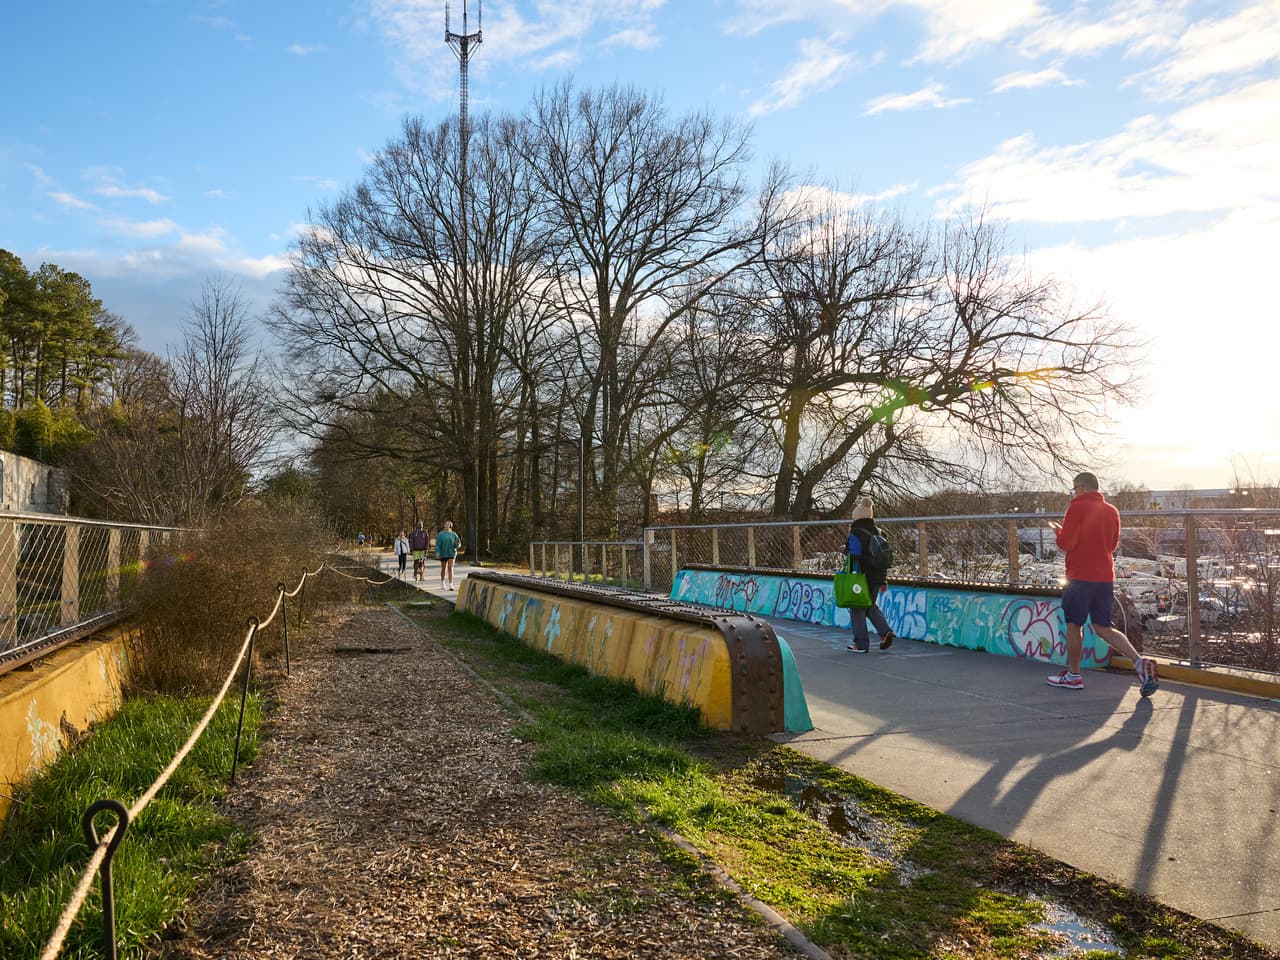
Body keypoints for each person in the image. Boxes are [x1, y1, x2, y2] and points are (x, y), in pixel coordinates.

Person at [1047, 472, 1159, 696]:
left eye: (1074, 489)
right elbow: (1113, 544)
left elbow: (1067, 542)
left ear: (1080, 488)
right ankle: (1139, 663)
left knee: (1073, 626)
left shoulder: (1076, 507)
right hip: (1104, 577)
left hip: (1079, 576)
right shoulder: (1112, 511)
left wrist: (1058, 531)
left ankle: (1073, 675)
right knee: (1103, 627)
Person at [845, 497, 896, 654]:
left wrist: (846, 551)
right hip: (877, 577)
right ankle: (885, 632)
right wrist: (883, 580)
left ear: (857, 517)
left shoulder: (856, 533)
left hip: (861, 577)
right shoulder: (879, 532)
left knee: (857, 608)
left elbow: (854, 555)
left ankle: (861, 644)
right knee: (869, 606)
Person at [433, 520, 462, 591]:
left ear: (450, 526)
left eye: (448, 524)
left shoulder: (454, 534)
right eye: (445, 524)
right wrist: (437, 552)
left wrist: (458, 545)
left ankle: (451, 584)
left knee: (450, 568)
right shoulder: (441, 534)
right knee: (443, 568)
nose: (446, 526)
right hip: (443, 553)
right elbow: (437, 544)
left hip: (451, 553)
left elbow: (458, 543)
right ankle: (442, 582)